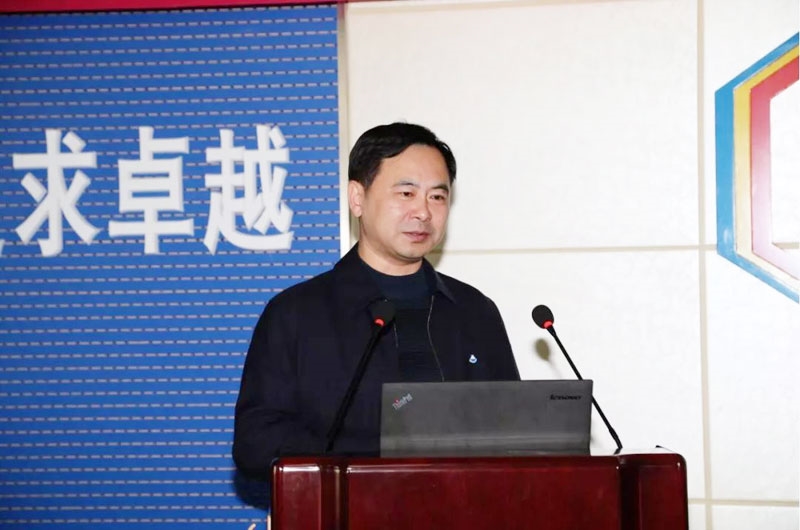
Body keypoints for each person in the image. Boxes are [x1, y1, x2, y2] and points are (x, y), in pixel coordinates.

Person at [232, 122, 519, 480]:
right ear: (357, 198)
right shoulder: (295, 315)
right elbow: (255, 444)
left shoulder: (474, 311)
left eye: (437, 197)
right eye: (406, 193)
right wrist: (376, 454)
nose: (423, 212)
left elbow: (516, 433)